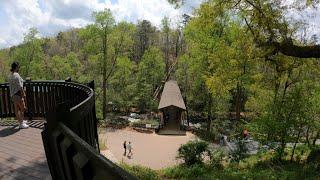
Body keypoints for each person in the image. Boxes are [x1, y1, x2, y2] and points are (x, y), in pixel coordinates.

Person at [8, 62, 29, 129]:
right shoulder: (16, 75)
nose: (19, 68)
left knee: (16, 109)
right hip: (18, 94)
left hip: (12, 95)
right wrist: (23, 95)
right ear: (16, 67)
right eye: (18, 67)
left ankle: (20, 121)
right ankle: (21, 124)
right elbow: (20, 87)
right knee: (23, 108)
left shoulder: (10, 75)